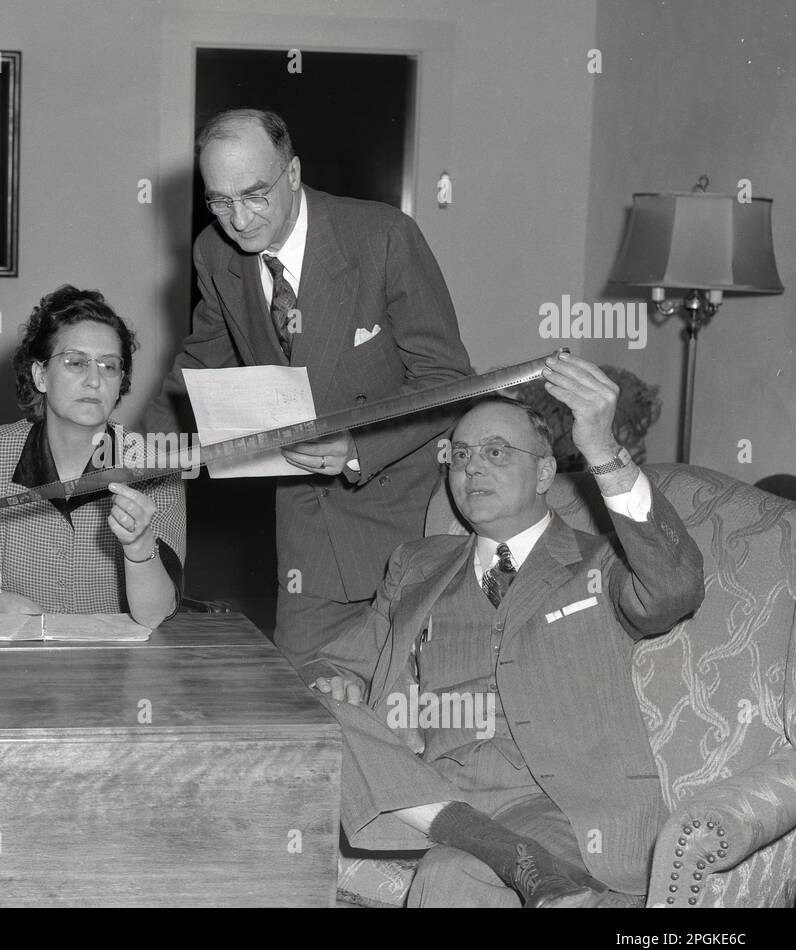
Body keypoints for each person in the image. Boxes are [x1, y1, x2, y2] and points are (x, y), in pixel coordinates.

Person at [306, 354, 705, 907]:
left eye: (496, 452)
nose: (471, 468)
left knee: (450, 877)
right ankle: (486, 843)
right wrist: (334, 681)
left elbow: (675, 588)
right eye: (460, 455)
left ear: (545, 472)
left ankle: (494, 851)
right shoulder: (416, 564)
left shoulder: (601, 562)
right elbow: (334, 664)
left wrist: (601, 449)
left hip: (555, 805)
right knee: (311, 704)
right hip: (430, 792)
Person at [143, 108, 473, 669]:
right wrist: (134, 448)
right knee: (305, 712)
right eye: (219, 201)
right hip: (309, 541)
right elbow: (200, 368)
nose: (239, 220)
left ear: (293, 173)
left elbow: (447, 381)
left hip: (409, 526)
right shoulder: (213, 253)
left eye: (254, 194)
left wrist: (356, 447)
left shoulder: (383, 237)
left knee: (414, 717)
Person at [0, 286, 184, 628]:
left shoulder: (154, 468)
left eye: (109, 366)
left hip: (118, 665)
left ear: (121, 382)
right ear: (40, 375)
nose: (94, 380)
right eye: (76, 362)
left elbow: (155, 614)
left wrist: (138, 545)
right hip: (20, 660)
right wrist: (2, 607)